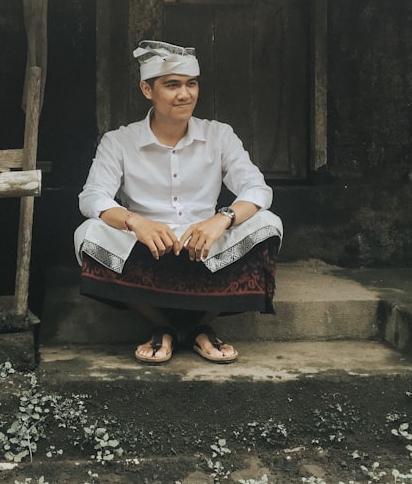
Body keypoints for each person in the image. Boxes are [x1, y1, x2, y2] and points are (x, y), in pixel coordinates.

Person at [73, 40, 283, 365]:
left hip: (204, 246)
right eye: (172, 85)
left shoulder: (219, 135)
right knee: (88, 233)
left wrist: (222, 218)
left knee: (268, 224)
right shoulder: (119, 141)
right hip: (147, 247)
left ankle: (195, 328)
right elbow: (92, 197)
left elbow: (257, 189)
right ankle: (165, 326)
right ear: (147, 89)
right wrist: (135, 221)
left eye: (191, 84)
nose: (185, 94)